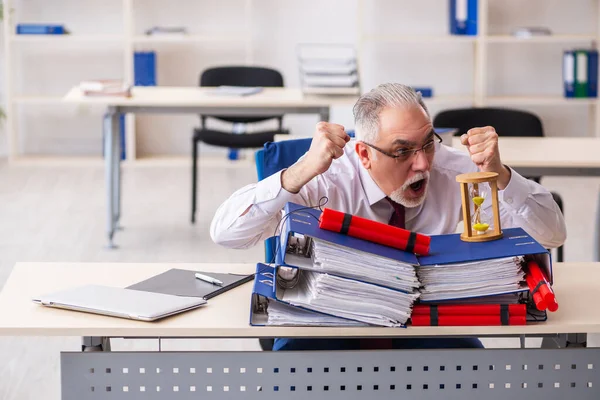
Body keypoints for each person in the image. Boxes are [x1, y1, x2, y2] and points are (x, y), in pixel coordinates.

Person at [210, 83, 567, 351]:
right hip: (330, 323)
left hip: (427, 322)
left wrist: (501, 175)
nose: (423, 164)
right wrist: (299, 171)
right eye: (402, 152)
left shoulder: (453, 169)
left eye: (428, 142)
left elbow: (553, 234)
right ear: (363, 154)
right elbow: (226, 234)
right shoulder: (327, 177)